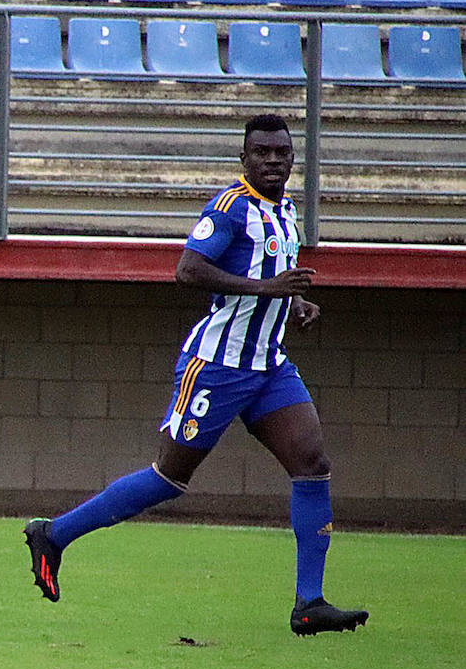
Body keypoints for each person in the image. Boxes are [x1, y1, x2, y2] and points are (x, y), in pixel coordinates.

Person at [22, 114, 369, 637]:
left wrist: (293, 302)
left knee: (313, 462)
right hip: (217, 368)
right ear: (244, 159)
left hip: (268, 365)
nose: (273, 160)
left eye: (282, 153)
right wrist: (268, 291)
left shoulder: (286, 211)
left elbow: (265, 277)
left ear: (294, 159)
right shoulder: (229, 209)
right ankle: (54, 534)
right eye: (262, 153)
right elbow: (187, 269)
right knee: (169, 478)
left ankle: (309, 602)